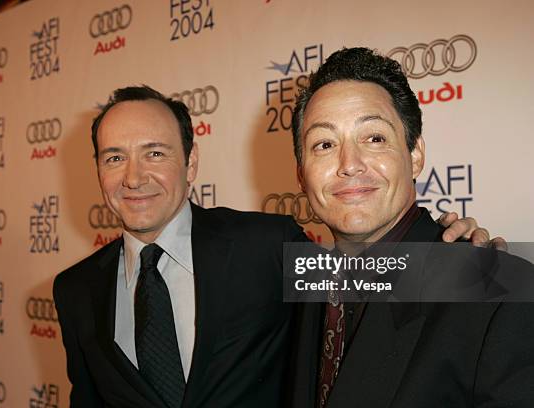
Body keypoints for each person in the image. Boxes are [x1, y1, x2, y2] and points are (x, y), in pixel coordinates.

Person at [53, 85, 498, 408]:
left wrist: (454, 250)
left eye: (155, 153)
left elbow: (367, 282)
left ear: (190, 164)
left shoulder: (264, 245)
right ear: (98, 170)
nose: (133, 177)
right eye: (114, 157)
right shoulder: (75, 290)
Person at [289, 47, 534, 407]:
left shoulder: (502, 294)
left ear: (415, 155)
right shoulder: (299, 293)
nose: (349, 164)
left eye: (374, 138)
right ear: (301, 174)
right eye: (324, 144)